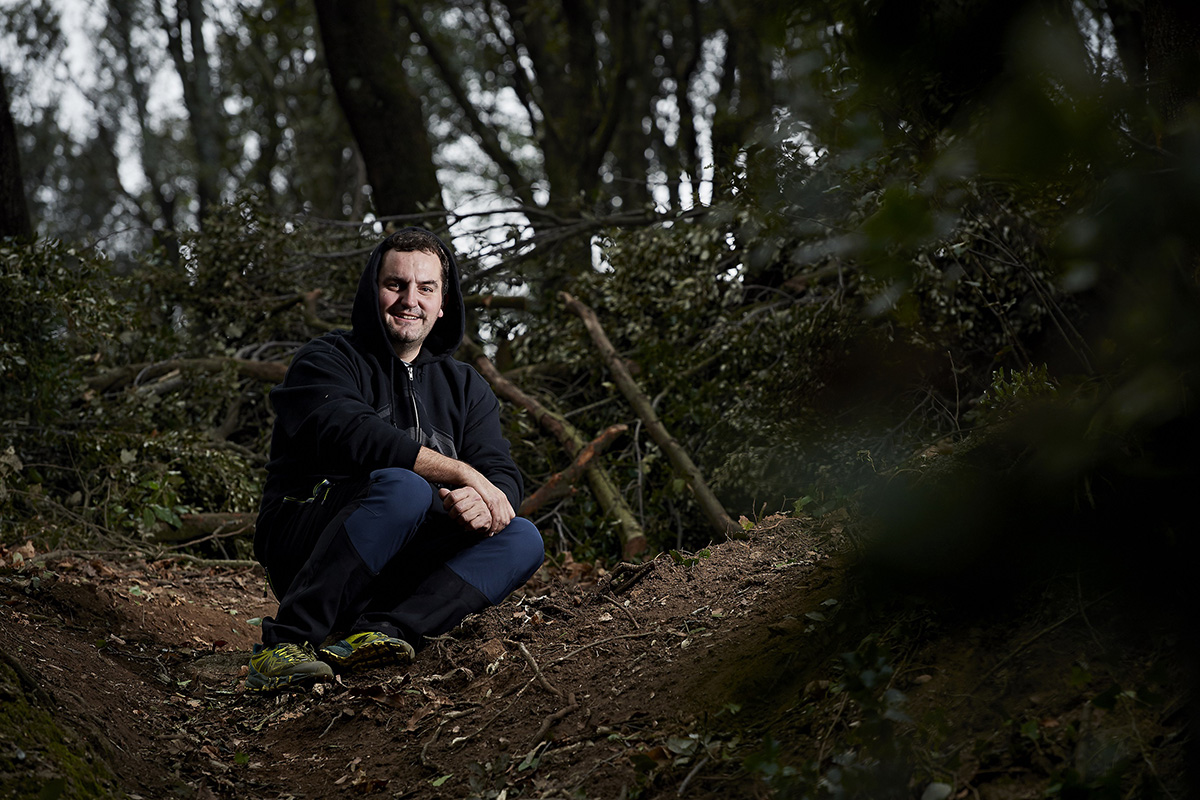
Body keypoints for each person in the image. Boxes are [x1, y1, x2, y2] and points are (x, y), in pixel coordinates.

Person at [246, 227, 544, 692]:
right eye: (395, 284)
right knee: (403, 487)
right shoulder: (325, 360)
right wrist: (462, 472)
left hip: (403, 569)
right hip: (311, 549)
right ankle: (285, 642)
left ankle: (386, 631)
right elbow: (359, 436)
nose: (410, 300)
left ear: (442, 303)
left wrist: (487, 500)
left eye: (426, 288)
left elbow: (500, 470)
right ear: (374, 290)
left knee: (523, 537)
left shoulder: (466, 387)